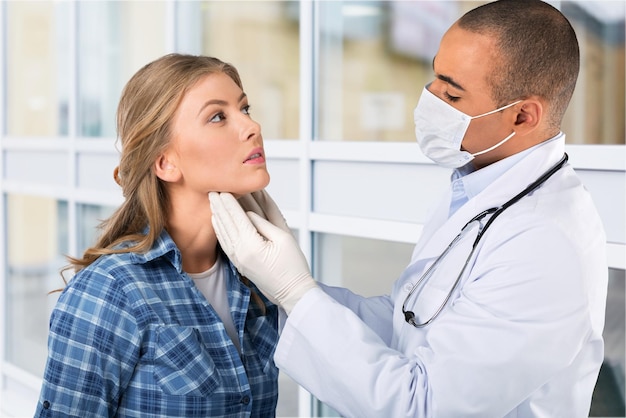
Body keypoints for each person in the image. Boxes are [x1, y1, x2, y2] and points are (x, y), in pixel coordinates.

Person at [209, 1, 609, 417]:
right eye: (435, 76)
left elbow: (424, 407)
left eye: (452, 93)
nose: (431, 98)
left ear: (524, 115)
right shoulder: (478, 186)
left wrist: (296, 293)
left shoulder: (545, 244)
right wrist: (284, 291)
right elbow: (412, 323)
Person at [35, 53, 280, 417]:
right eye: (218, 116)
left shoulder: (257, 279)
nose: (252, 126)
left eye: (244, 109)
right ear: (165, 162)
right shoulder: (111, 292)